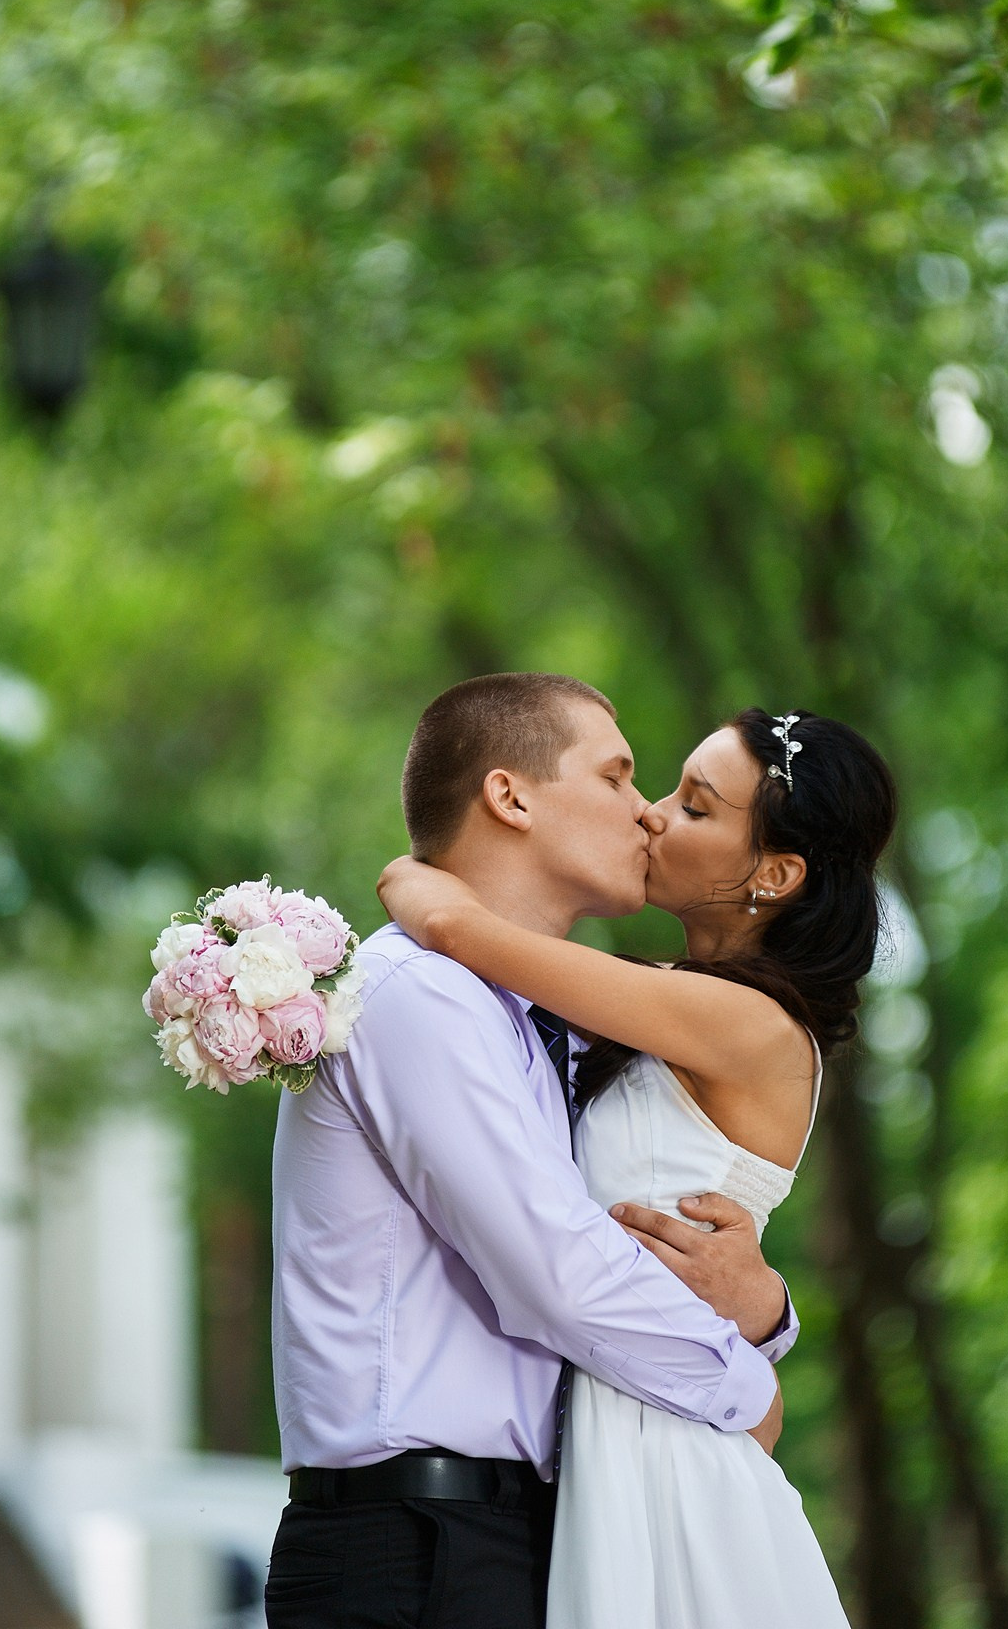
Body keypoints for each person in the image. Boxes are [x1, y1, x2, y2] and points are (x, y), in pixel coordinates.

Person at [267, 674, 795, 1629]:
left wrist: (767, 1312)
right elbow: (555, 1270)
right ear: (510, 797)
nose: (648, 816)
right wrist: (744, 1380)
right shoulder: (416, 995)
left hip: (518, 1534)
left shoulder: (536, 1021)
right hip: (415, 1546)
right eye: (619, 777)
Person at [379, 705, 898, 1629]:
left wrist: (404, 873)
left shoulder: (744, 1024)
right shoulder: (659, 1010)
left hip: (671, 1456)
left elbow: (460, 930)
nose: (653, 813)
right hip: (614, 1435)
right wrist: (770, 1322)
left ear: (773, 875)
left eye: (695, 808)